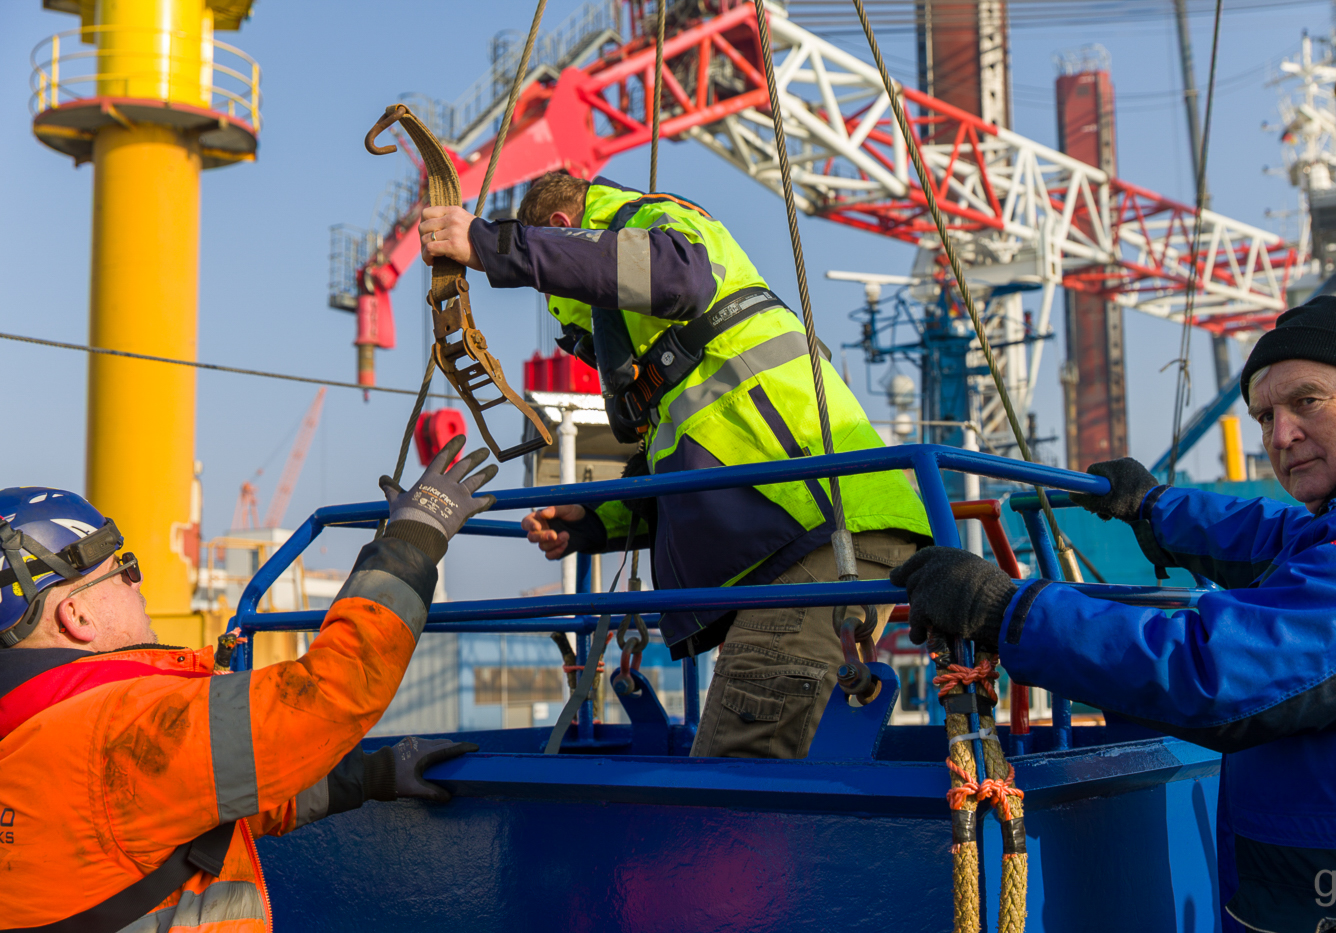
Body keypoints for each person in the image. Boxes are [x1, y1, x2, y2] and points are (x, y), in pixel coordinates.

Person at [893, 295, 1336, 932]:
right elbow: (1271, 537)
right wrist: (1152, 507)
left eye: (1308, 400)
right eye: (1266, 416)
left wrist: (1006, 609)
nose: (1281, 436)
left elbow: (1216, 672)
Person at [419, 172, 930, 759]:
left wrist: (493, 246)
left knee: (738, 774)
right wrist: (594, 521)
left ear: (565, 229)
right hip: (817, 534)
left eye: (579, 320)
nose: (588, 348)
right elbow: (696, 460)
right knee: (778, 773)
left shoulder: (652, 224)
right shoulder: (685, 364)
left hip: (822, 538)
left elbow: (672, 272)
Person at [0, 438, 496, 932]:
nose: (138, 582)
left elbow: (190, 802)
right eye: (122, 571)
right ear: (77, 616)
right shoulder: (116, 728)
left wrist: (368, 775)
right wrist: (415, 537)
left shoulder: (30, 733)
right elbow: (330, 693)